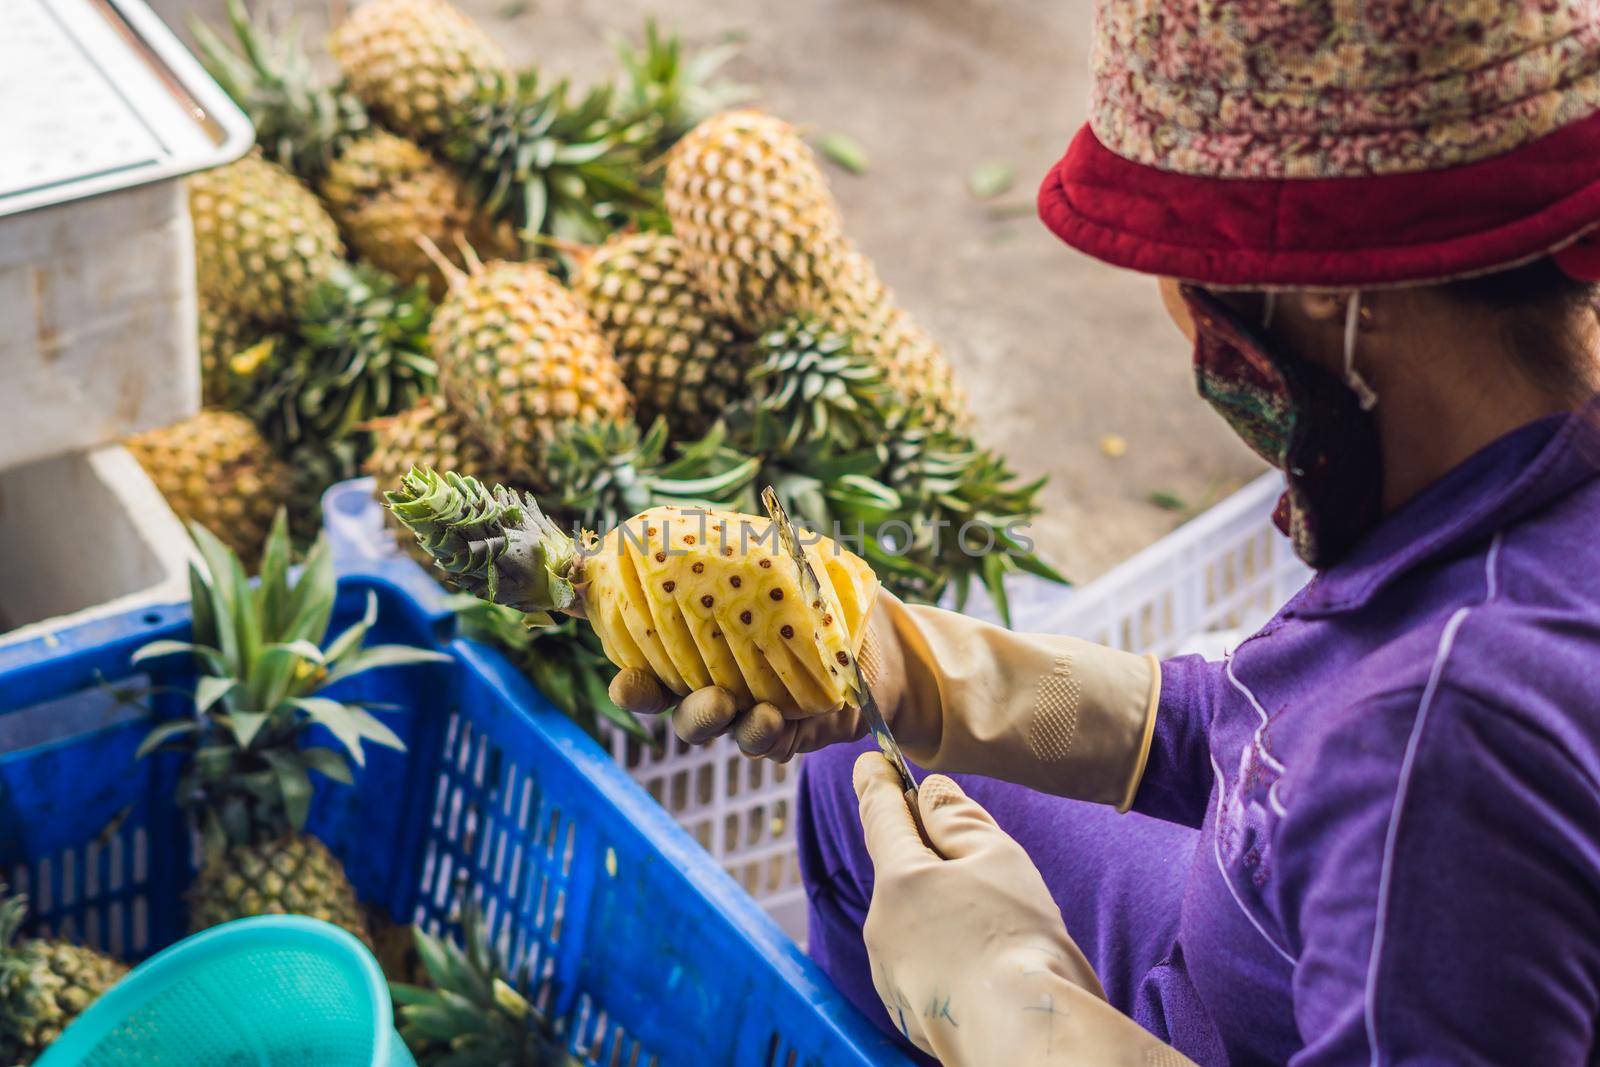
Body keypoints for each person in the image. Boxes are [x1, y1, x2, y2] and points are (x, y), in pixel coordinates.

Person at [611, 1, 1600, 1063]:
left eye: (1183, 276)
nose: (1179, 319)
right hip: (1269, 942)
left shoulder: (1441, 739)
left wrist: (1012, 1008)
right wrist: (925, 678)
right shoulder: (1489, 498)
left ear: (1327, 296)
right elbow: (1262, 728)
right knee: (850, 764)